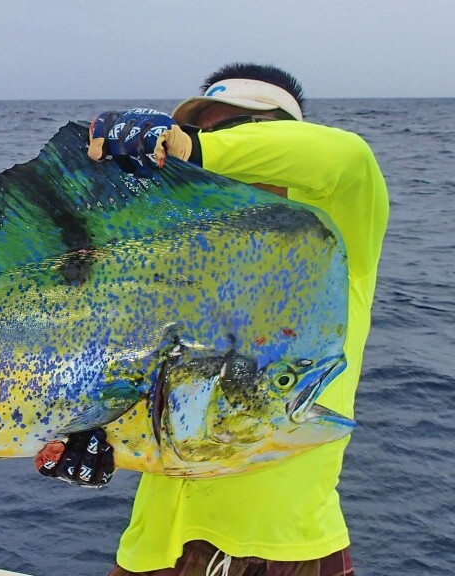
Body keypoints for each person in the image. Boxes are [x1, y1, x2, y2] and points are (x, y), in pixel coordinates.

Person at [37, 63, 389, 575]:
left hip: (285, 552)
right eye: (199, 131)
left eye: (243, 129)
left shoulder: (337, 234)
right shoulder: (177, 262)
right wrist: (88, 435)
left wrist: (196, 148)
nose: (218, 146)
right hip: (153, 550)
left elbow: (346, 157)